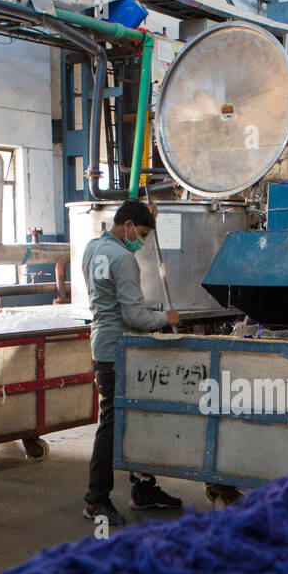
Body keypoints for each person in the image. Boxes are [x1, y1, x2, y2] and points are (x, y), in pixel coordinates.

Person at [83, 199, 183, 525]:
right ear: (127, 226)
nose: (140, 240)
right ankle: (95, 500)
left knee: (134, 421)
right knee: (111, 427)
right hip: (118, 352)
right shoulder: (123, 259)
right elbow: (135, 315)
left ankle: (144, 489)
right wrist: (165, 317)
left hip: (103, 346)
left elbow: (118, 271)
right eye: (139, 233)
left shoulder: (94, 248)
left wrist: (146, 218)